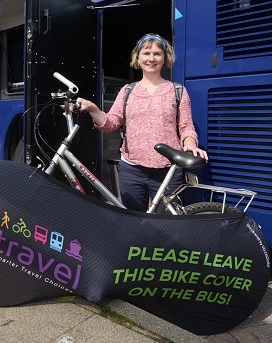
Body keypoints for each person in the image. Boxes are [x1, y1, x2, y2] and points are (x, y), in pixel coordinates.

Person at [75, 33, 208, 212]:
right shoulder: (127, 91)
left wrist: (190, 143)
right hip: (131, 170)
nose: (151, 58)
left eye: (157, 53)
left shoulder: (177, 91)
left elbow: (186, 126)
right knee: (133, 221)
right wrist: (93, 109)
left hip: (167, 171)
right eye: (146, 53)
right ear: (137, 57)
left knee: (167, 223)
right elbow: (110, 123)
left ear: (165, 58)